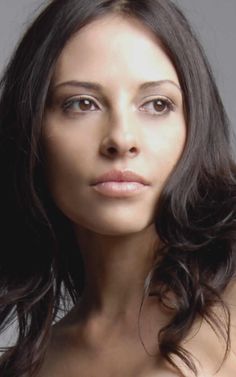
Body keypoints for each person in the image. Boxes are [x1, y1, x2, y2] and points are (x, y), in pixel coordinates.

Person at [0, 0, 236, 376]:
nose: (121, 139)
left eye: (157, 104)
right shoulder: (26, 366)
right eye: (82, 104)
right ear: (31, 131)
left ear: (194, 126)